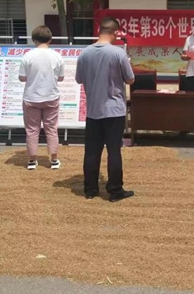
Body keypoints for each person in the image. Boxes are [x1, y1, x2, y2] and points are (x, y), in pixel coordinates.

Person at [76, 17, 135, 202]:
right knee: (114, 151)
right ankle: (115, 190)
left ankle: (90, 189)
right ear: (115, 33)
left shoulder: (84, 53)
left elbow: (78, 79)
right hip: (114, 110)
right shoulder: (118, 53)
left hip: (93, 110)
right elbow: (130, 79)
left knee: (92, 151)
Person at [19, 25, 65, 171]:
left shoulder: (28, 56)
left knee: (32, 130)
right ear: (50, 39)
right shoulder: (57, 56)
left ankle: (32, 160)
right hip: (51, 96)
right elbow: (61, 78)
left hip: (31, 97)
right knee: (51, 129)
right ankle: (54, 159)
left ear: (34, 40)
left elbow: (22, 77)